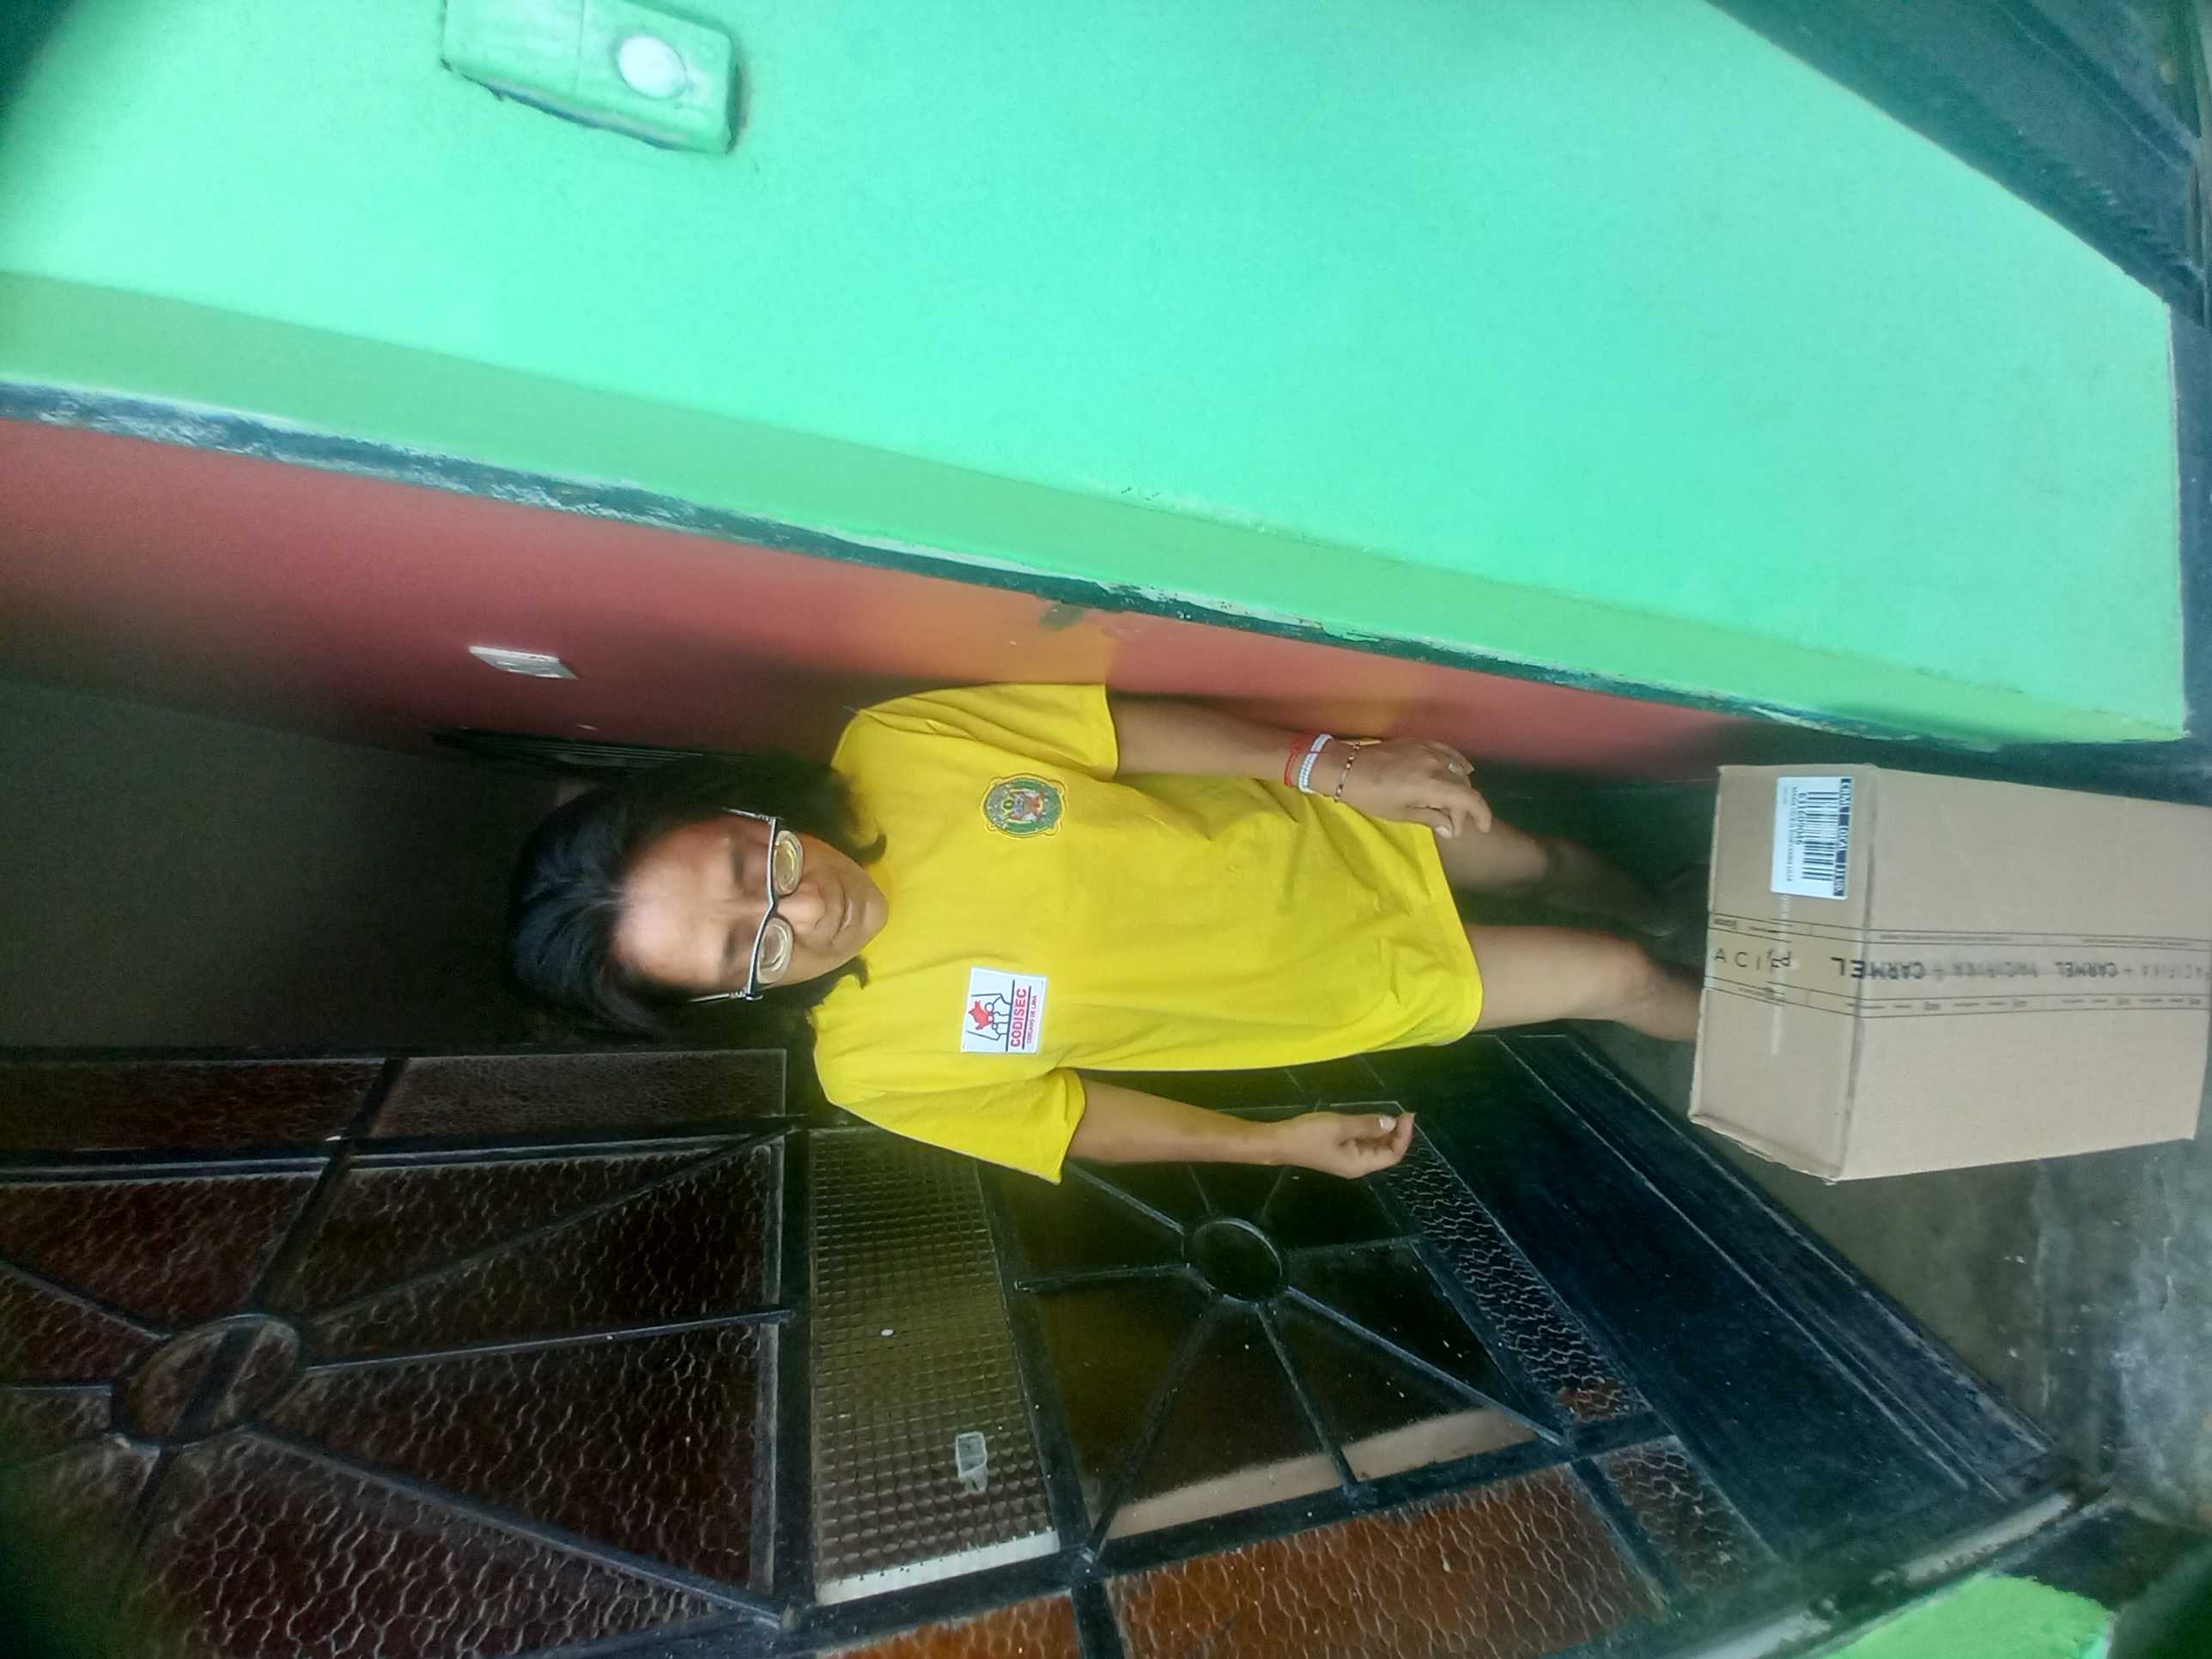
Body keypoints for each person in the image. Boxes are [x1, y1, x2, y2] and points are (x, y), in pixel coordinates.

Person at [508, 684, 1698, 1183]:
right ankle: (1767, 1019)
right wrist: (1269, 1145)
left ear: (734, 806)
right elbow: (1074, 1118)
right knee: (1617, 977)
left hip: (1342, 832)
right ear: (727, 999)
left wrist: (1335, 767)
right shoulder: (872, 1069)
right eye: (747, 950)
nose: (805, 910)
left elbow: (1121, 735)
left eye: (750, 866)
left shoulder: (897, 745)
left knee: (1544, 863)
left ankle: (1665, 898)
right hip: (1358, 982)